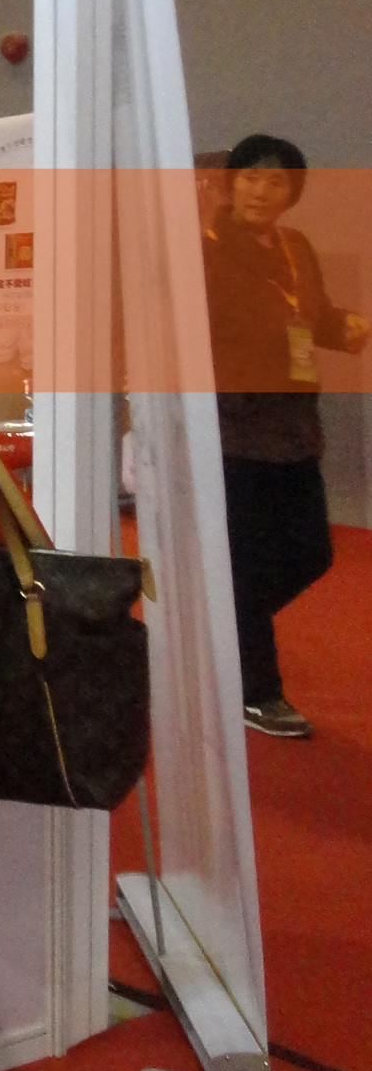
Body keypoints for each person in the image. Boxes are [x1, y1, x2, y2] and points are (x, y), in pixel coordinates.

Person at [204, 134, 366, 740]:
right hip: (233, 427)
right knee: (247, 561)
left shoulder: (296, 246)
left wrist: (342, 327)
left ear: (291, 192)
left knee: (310, 553)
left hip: (294, 427)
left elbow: (308, 313)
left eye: (276, 181)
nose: (261, 191)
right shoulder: (205, 250)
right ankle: (257, 691)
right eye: (250, 177)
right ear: (232, 183)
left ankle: (219, 630)